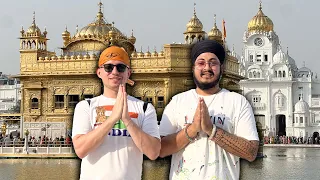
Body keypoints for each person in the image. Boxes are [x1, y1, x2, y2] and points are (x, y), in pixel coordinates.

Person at [159, 39, 259, 180]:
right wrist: (192, 129)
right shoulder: (178, 101)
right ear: (193, 68)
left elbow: (251, 152)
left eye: (213, 63)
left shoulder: (237, 102)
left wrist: (211, 130)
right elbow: (161, 149)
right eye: (201, 63)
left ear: (222, 68)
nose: (207, 67)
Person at [72, 46, 161, 180]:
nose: (114, 72)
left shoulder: (144, 108)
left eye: (120, 67)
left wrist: (128, 121)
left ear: (128, 73)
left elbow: (153, 152)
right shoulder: (86, 106)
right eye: (108, 67)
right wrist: (112, 119)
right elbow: (81, 150)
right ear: (99, 72)